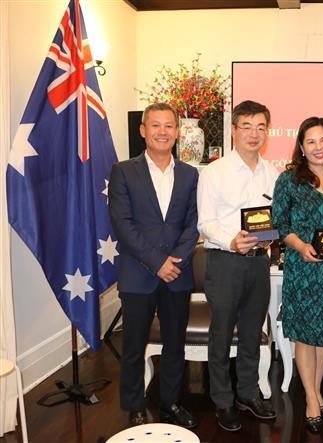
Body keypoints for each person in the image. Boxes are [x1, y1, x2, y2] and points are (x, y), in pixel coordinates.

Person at [108, 102, 199, 429]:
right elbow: (122, 223)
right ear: (143, 130)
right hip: (138, 274)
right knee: (133, 345)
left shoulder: (190, 174)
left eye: (169, 126)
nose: (162, 131)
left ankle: (171, 402)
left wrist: (175, 260)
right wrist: (157, 262)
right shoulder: (123, 171)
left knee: (175, 344)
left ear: (177, 132)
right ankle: (134, 405)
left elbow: (193, 223)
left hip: (178, 273)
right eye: (155, 125)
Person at [197, 100, 279, 432]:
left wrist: (269, 238)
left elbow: (276, 221)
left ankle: (247, 393)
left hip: (259, 265)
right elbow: (205, 222)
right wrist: (233, 240)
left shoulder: (272, 173)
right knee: (220, 334)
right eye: (246, 126)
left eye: (261, 127)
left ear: (267, 132)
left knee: (251, 333)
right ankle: (222, 400)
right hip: (225, 262)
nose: (254, 134)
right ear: (234, 131)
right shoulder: (214, 171)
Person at [272, 116, 323, 433]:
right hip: (302, 268)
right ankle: (311, 400)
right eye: (311, 142)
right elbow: (280, 224)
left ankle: (315, 392)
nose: (319, 147)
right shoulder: (288, 180)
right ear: (301, 148)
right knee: (305, 335)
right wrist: (301, 246)